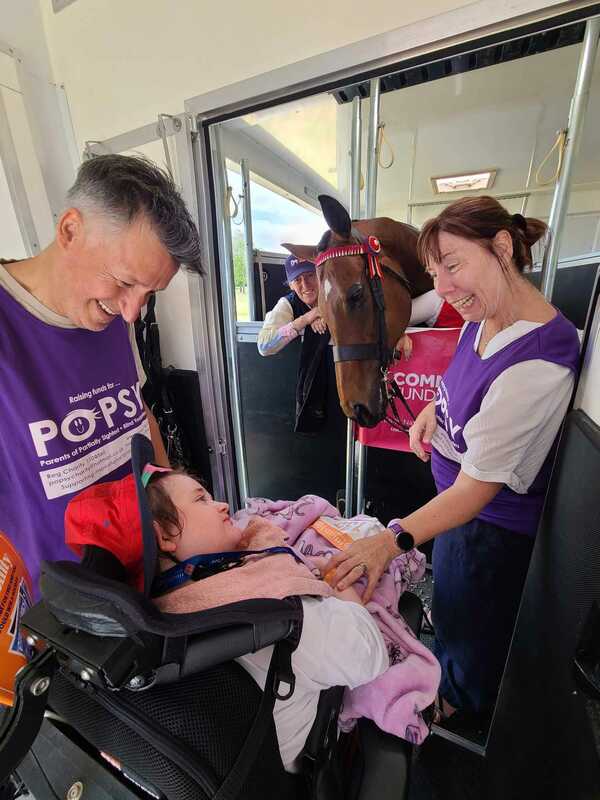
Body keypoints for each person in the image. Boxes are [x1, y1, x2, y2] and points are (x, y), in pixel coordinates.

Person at [326, 196, 580, 717]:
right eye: (435, 270)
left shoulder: (539, 364)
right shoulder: (480, 319)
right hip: (459, 519)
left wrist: (386, 545)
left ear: (502, 248)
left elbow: (475, 491)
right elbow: (457, 384)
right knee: (453, 615)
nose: (441, 286)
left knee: (472, 630)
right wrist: (431, 415)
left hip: (489, 532)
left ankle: (456, 714)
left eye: (454, 265)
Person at [64, 446, 440, 771]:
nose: (223, 504)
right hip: (290, 766)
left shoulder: (156, 618)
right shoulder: (270, 611)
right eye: (201, 499)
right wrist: (332, 581)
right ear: (163, 535)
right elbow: (369, 653)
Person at [0, 153, 203, 596]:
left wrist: (177, 508)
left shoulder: (110, 316)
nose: (132, 312)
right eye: (125, 282)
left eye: (149, 294)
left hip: (145, 578)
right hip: (62, 610)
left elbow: (136, 412)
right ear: (70, 230)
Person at [258, 256, 330, 433]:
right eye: (297, 279)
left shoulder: (334, 294)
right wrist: (304, 320)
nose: (305, 285)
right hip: (307, 394)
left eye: (310, 276)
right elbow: (264, 346)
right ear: (290, 284)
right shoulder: (287, 303)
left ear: (320, 275)